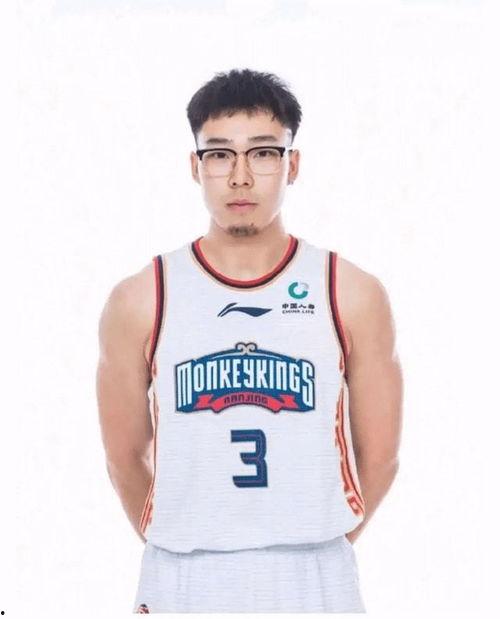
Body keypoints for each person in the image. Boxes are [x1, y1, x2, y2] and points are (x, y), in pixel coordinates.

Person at [96, 68, 403, 613]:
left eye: (262, 153)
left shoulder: (349, 291)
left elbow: (380, 459)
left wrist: (311, 541)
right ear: (196, 166)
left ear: (292, 164)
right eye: (220, 154)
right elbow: (124, 456)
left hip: (312, 570)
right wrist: (185, 536)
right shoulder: (141, 298)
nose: (240, 177)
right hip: (185, 573)